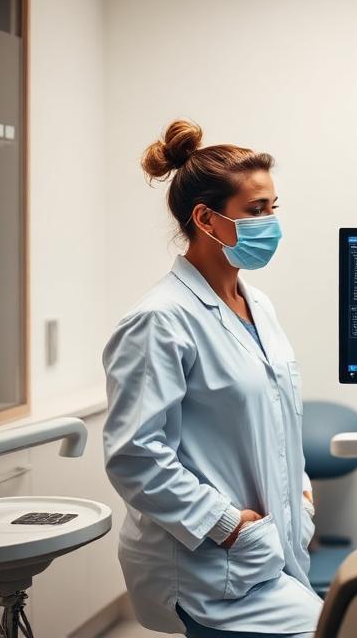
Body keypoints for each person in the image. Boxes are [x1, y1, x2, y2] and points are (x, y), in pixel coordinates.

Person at [103, 120, 321, 638]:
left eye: (273, 208)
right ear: (206, 218)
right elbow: (135, 455)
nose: (270, 223)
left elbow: (273, 415)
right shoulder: (160, 319)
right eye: (255, 211)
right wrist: (226, 525)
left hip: (266, 552)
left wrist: (302, 495)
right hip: (210, 565)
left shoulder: (257, 305)